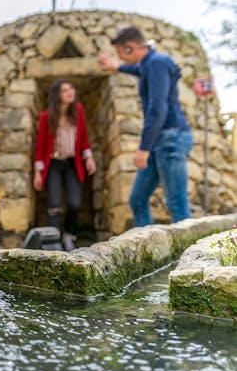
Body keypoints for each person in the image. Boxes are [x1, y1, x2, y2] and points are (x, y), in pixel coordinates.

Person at [97, 26, 193, 227]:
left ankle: (191, 255)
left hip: (171, 138)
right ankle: (147, 249)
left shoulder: (157, 63)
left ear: (130, 48)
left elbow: (157, 110)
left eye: (121, 53)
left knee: (176, 202)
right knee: (137, 199)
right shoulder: (149, 64)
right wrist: (116, 66)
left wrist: (144, 148)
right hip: (160, 139)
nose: (121, 58)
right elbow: (136, 69)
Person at [34, 79, 96, 251]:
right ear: (57, 95)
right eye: (65, 90)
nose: (71, 92)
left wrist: (89, 158)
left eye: (71, 88)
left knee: (75, 202)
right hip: (53, 163)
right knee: (54, 204)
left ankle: (69, 236)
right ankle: (53, 242)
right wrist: (38, 172)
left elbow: (83, 137)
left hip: (72, 163)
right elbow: (40, 145)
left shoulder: (78, 111)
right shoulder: (46, 117)